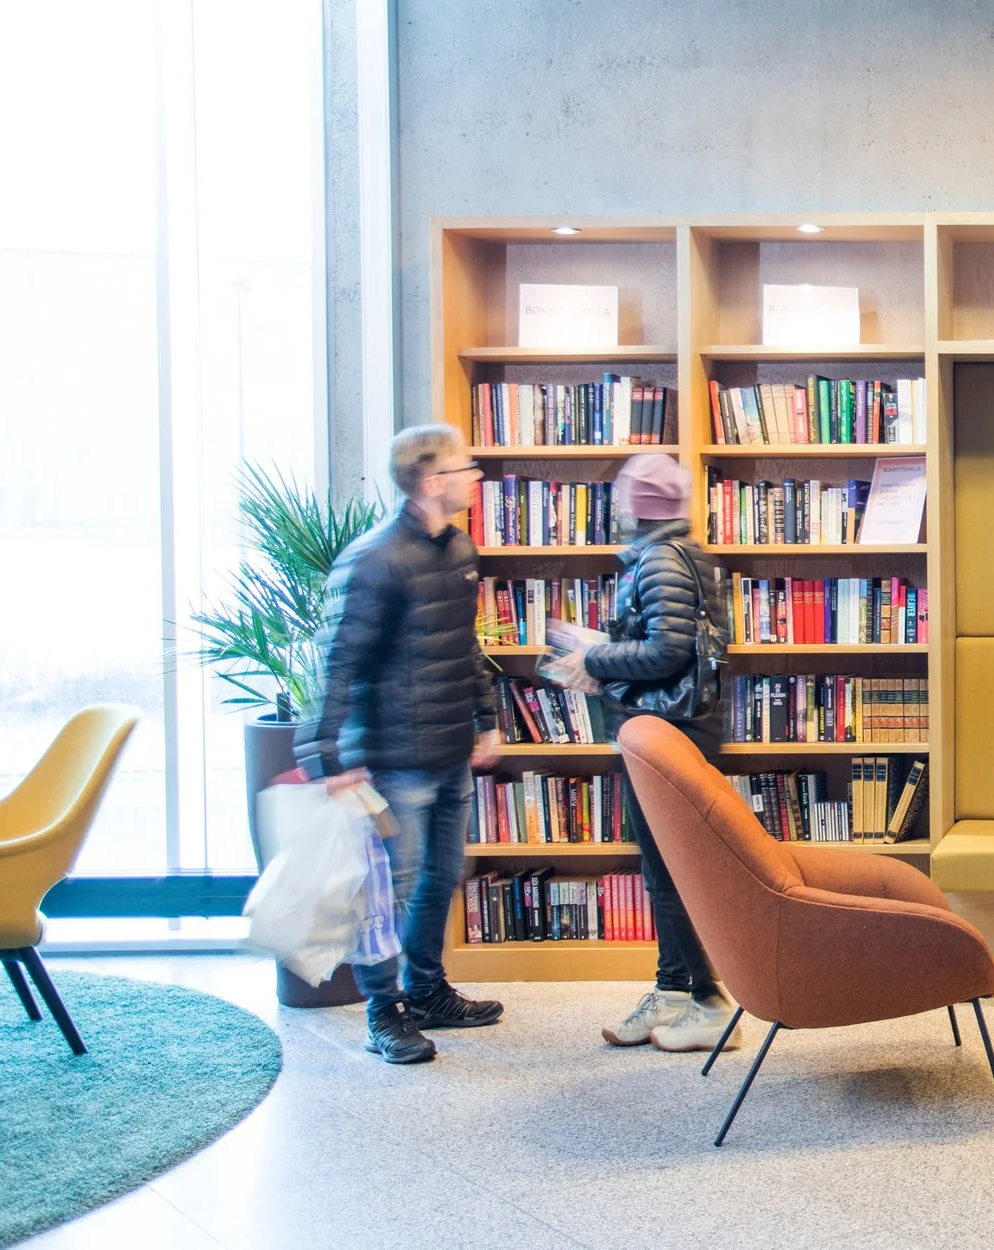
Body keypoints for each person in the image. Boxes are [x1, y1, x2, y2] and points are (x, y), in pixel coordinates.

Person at [301, 425, 506, 1064]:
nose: (477, 477)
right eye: (466, 468)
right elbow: (337, 661)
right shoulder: (375, 559)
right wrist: (325, 756)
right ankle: (382, 1012)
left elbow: (464, 642)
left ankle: (426, 991)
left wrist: (486, 716)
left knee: (441, 878)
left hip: (449, 751)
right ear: (432, 480)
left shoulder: (460, 548)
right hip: (393, 758)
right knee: (389, 890)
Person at [548, 453, 736, 1052]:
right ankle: (673, 989)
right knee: (665, 868)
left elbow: (666, 651)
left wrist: (593, 657)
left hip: (665, 731)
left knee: (667, 869)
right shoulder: (681, 554)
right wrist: (601, 650)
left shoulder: (659, 559)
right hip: (672, 728)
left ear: (636, 505)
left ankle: (709, 1002)